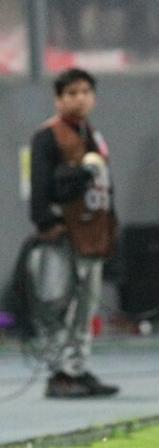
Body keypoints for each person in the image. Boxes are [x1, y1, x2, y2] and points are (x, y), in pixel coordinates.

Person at [27, 68, 119, 399]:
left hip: (92, 232)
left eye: (84, 92)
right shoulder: (48, 136)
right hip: (64, 233)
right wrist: (46, 224)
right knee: (60, 305)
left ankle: (77, 366)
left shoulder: (92, 134)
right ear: (58, 99)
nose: (78, 99)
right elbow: (41, 187)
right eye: (70, 93)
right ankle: (59, 372)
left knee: (86, 306)